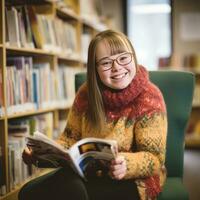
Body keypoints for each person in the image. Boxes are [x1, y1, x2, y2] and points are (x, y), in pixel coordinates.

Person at [19, 29, 167, 200]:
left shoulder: (149, 97)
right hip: (89, 175)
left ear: (133, 57)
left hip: (135, 180)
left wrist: (127, 164)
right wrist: (40, 153)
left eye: (124, 58)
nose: (117, 67)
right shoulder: (86, 94)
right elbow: (69, 139)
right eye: (105, 63)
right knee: (31, 192)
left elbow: (155, 159)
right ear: (94, 68)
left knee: (70, 191)